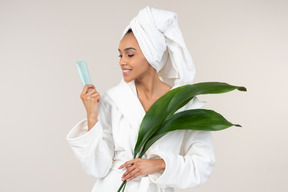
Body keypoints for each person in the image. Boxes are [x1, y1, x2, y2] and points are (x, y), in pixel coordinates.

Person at [66, 6, 215, 192]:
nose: (122, 61)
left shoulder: (184, 104)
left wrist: (159, 164)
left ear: (151, 54)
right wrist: (92, 116)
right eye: (120, 55)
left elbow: (202, 165)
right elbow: (97, 167)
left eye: (130, 54)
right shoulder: (113, 99)